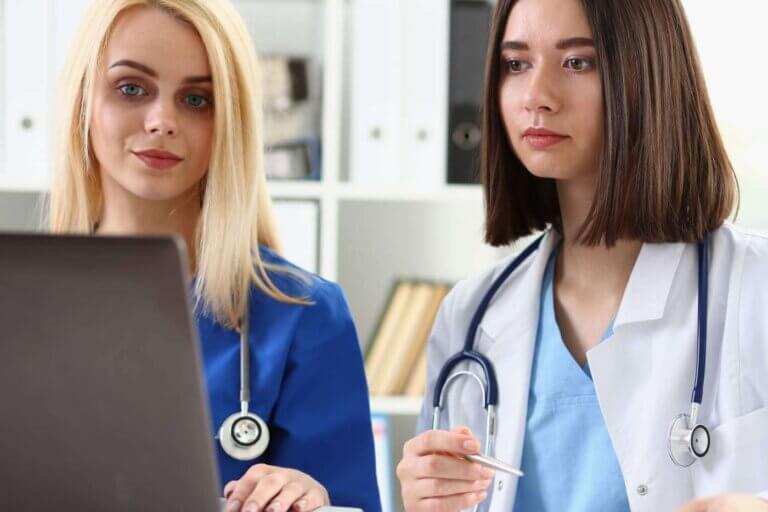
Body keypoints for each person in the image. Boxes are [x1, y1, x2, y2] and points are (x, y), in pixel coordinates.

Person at [396, 0, 768, 511]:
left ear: (647, 72)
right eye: (516, 64)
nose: (537, 97)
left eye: (577, 62)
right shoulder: (470, 316)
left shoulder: (754, 287)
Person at [47, 1, 381, 511]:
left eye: (198, 99)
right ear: (81, 102)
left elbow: (346, 502)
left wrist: (314, 501)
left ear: (232, 123)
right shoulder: (23, 303)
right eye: (132, 88)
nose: (162, 121)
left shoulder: (304, 316)